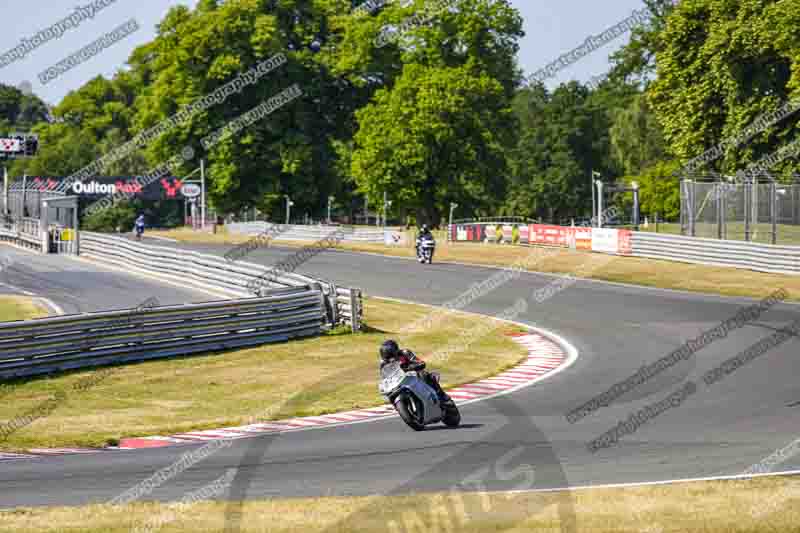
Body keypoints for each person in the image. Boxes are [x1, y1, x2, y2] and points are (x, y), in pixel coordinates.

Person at [379, 339, 453, 406]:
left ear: (396, 351)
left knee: (423, 374)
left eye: (391, 356)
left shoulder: (405, 353)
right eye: (387, 357)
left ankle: (443, 397)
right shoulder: (383, 364)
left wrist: (412, 367)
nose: (390, 359)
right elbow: (385, 377)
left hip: (413, 373)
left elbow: (420, 362)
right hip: (399, 380)